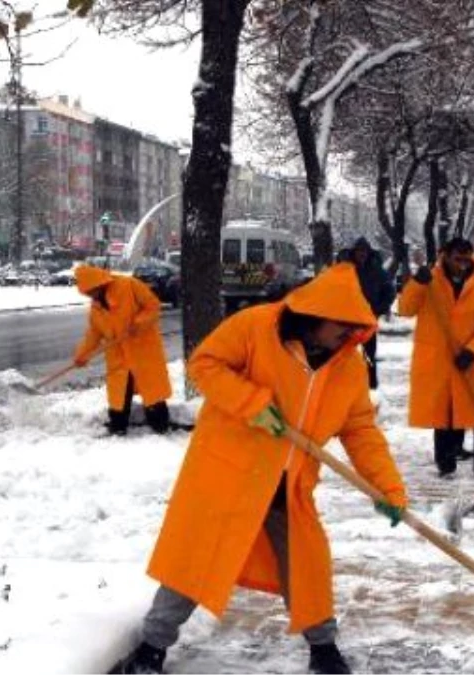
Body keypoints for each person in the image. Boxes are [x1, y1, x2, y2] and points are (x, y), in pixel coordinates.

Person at [106, 263, 408, 675]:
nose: (351, 338)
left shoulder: (348, 365)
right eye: (345, 327)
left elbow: (360, 430)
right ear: (316, 315)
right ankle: (150, 650)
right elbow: (204, 365)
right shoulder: (254, 327)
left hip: (288, 485)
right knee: (196, 563)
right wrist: (252, 404)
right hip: (229, 474)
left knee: (306, 568)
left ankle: (323, 650)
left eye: (357, 329)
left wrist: (387, 489)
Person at [397, 237, 474, 478]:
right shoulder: (429, 282)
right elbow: (405, 309)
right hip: (439, 360)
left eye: (466, 259)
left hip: (472, 360)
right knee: (446, 413)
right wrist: (417, 284)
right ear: (445, 256)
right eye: (457, 259)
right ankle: (446, 464)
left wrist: (473, 350)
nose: (462, 264)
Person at [72, 265, 172, 435]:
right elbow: (94, 334)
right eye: (87, 293)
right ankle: (118, 425)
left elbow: (153, 306)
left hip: (143, 351)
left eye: (90, 291)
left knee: (152, 392)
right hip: (118, 357)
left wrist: (138, 323)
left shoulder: (129, 286)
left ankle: (160, 424)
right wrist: (82, 355)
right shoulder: (96, 309)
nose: (90, 296)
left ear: (98, 284)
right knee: (119, 395)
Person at [344, 237, 395, 389]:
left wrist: (381, 307)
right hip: (347, 317)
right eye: (359, 251)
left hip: (368, 315)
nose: (362, 254)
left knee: (369, 351)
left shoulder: (376, 270)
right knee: (345, 351)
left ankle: (371, 382)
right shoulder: (345, 268)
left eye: (364, 251)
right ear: (354, 253)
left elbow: (389, 290)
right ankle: (345, 382)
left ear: (368, 253)